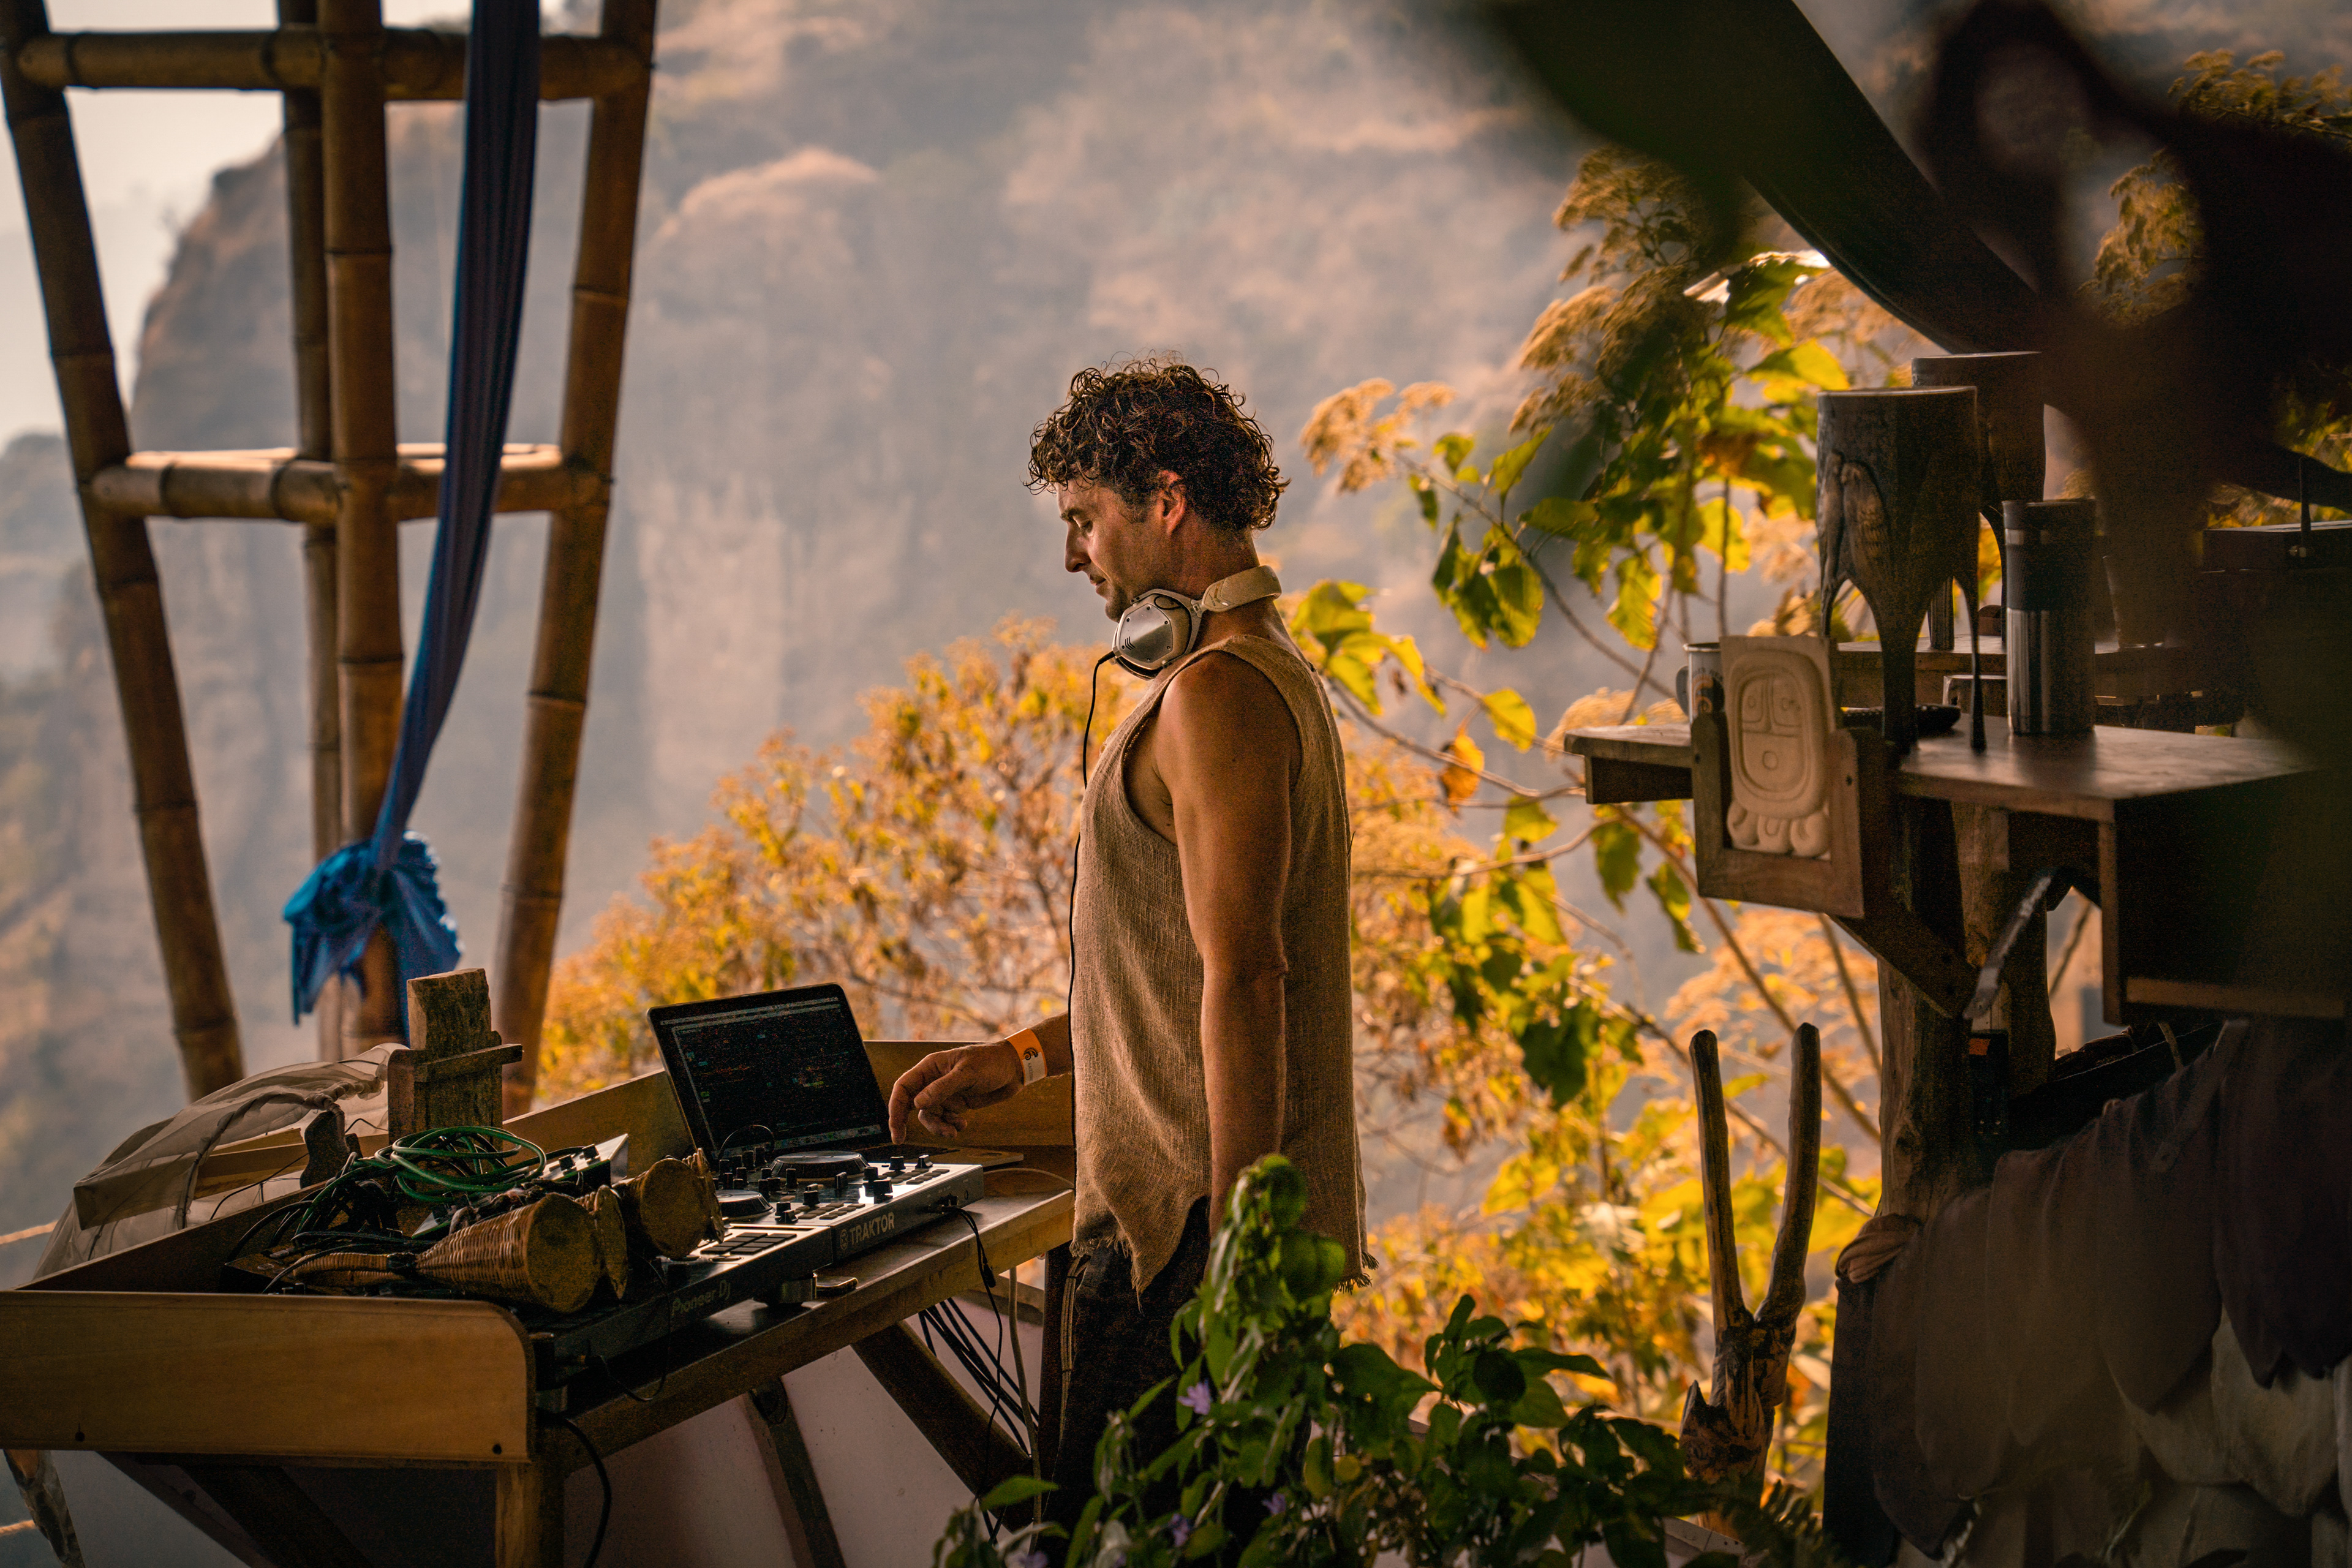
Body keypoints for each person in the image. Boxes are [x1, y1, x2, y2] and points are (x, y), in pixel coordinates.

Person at [886, 356, 1365, 1542]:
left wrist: (1242, 1253)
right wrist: (1025, 1056)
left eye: (1085, 521)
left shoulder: (1217, 693)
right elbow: (1174, 959)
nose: (1074, 557)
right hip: (1187, 1221)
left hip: (1185, 1235)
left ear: (1164, 500)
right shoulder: (1256, 679)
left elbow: (1249, 975)